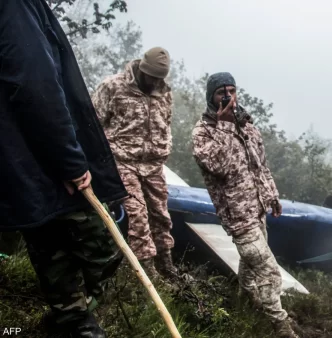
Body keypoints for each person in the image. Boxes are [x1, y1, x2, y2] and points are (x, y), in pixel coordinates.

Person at [0, 0, 128, 336]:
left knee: (46, 233)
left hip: (22, 158)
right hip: (36, 156)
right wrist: (69, 161)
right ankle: (73, 319)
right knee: (96, 246)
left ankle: (70, 317)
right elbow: (34, 83)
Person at [192, 72, 299, 338]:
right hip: (237, 216)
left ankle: (244, 303)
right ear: (211, 97)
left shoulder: (248, 126)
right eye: (221, 92)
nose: (228, 96)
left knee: (250, 266)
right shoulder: (203, 132)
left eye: (232, 90)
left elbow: (260, 165)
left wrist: (271, 195)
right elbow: (220, 166)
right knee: (270, 273)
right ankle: (281, 327)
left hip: (257, 208)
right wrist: (225, 125)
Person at [92, 47, 178, 280]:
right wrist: (97, 163)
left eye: (160, 78)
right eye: (152, 77)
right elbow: (93, 124)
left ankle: (166, 265)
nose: (155, 82)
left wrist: (164, 147)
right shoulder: (113, 87)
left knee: (161, 216)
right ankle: (147, 272)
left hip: (153, 166)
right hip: (122, 161)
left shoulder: (164, 93)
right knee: (137, 214)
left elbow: (166, 124)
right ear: (142, 69)